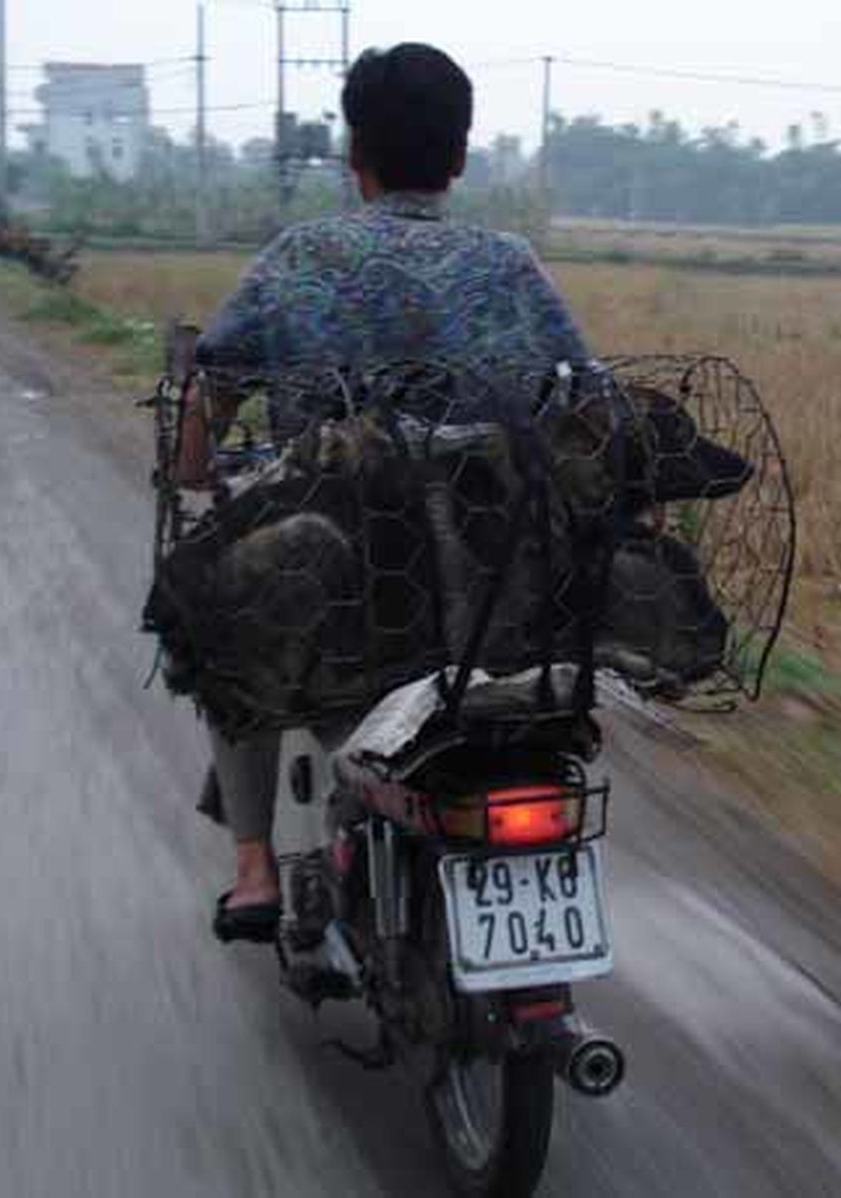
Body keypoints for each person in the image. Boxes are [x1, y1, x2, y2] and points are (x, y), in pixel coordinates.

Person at [175, 42, 592, 943]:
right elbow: (587, 404)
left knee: (222, 617)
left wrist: (194, 465)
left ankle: (253, 874)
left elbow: (207, 404)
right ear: (458, 157)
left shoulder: (301, 258)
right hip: (493, 600)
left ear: (354, 156)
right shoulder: (512, 266)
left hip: (345, 604)